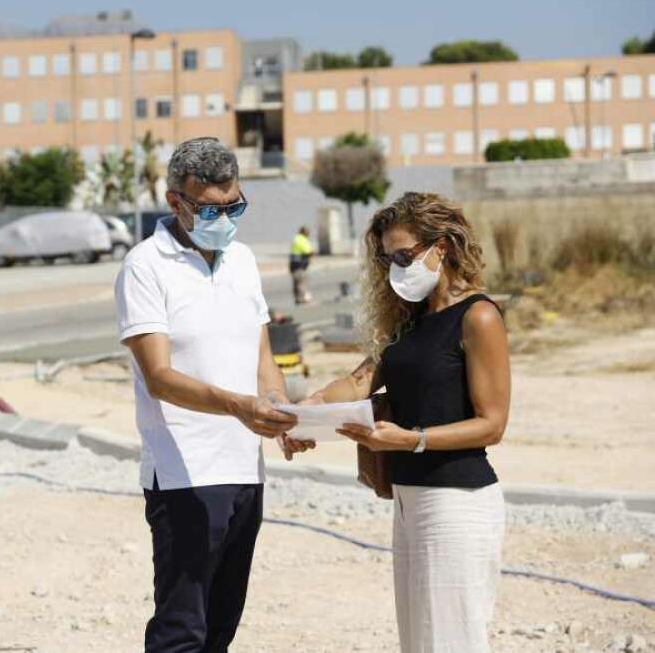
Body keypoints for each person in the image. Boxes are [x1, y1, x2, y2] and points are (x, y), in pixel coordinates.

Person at [302, 191, 511, 653]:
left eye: (403, 255)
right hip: (408, 498)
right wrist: (307, 410)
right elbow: (357, 383)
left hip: (457, 501)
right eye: (387, 258)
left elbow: (492, 424)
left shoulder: (478, 317)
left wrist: (411, 440)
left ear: (442, 245)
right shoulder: (408, 322)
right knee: (418, 642)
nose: (395, 267)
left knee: (451, 642)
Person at [115, 137, 298, 652]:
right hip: (185, 475)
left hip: (244, 471)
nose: (225, 217)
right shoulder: (145, 266)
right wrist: (242, 407)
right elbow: (160, 376)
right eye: (211, 209)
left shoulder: (242, 260)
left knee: (221, 626)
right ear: (175, 202)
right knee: (182, 629)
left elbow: (261, 358)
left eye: (234, 205)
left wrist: (280, 411)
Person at [289, 225, 314, 304]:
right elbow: (308, 251)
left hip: (293, 265)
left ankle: (297, 298)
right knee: (301, 283)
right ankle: (302, 299)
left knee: (296, 283)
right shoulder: (302, 240)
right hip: (300, 265)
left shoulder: (296, 238)